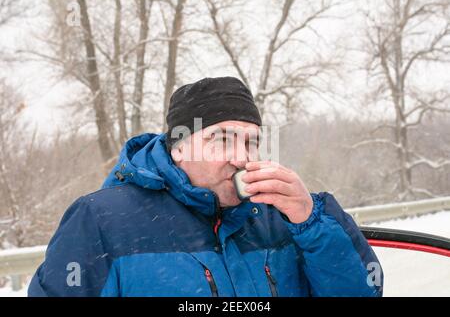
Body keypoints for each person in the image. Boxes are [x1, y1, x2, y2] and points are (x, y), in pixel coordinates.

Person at [28, 76, 383, 297]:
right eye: (222, 140)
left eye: (251, 142)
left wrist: (310, 223)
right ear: (178, 146)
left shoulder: (288, 216)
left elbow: (361, 292)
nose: (242, 158)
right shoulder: (102, 220)